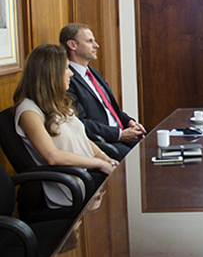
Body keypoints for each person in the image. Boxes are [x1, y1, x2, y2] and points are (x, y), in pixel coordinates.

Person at [14, 44, 117, 208]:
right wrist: (99, 164)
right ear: (51, 74)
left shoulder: (57, 103)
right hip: (70, 185)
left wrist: (105, 158)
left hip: (87, 172)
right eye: (66, 68)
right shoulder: (28, 111)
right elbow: (52, 156)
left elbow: (80, 137)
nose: (70, 73)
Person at [60, 23, 146, 159]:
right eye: (89, 41)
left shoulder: (93, 72)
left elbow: (110, 108)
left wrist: (129, 122)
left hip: (122, 136)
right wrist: (119, 134)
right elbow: (80, 123)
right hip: (104, 143)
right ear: (72, 45)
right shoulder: (66, 80)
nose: (96, 45)